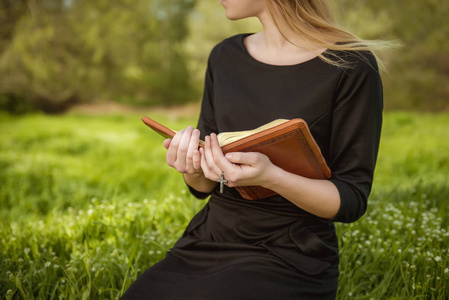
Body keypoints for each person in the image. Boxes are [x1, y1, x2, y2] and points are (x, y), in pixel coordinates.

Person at [122, 0, 388, 299]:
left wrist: (271, 176)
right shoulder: (224, 56)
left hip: (291, 253)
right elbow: (205, 186)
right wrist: (193, 169)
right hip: (210, 240)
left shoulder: (351, 65)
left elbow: (351, 199)